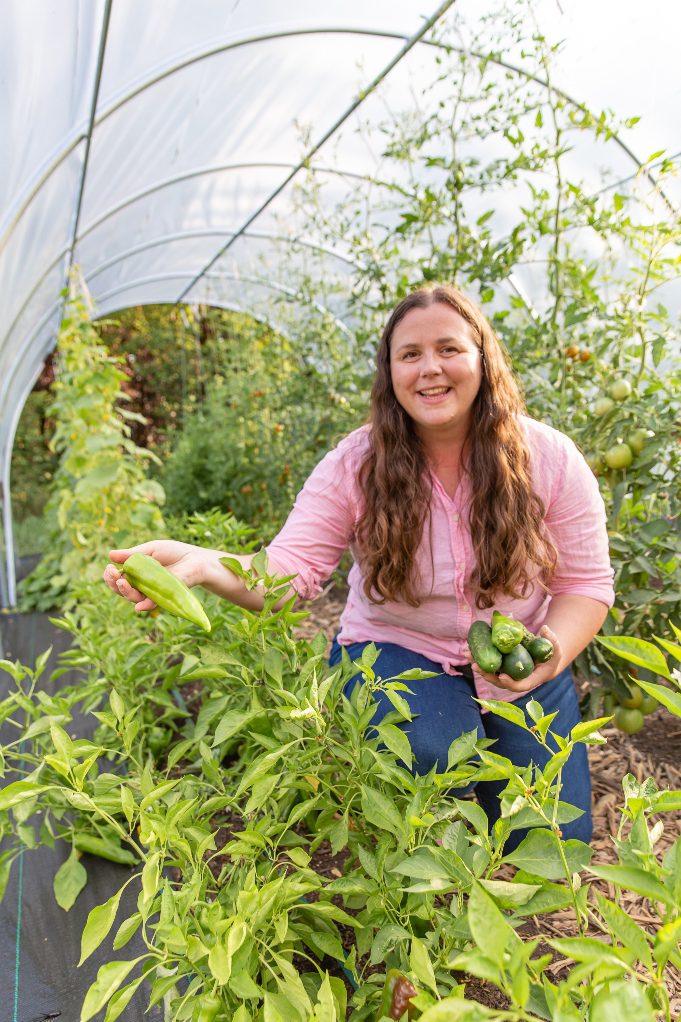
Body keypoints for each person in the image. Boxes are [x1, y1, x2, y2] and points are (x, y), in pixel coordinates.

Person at [103, 285, 614, 846]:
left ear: (483, 358)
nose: (430, 369)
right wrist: (204, 564)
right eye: (410, 354)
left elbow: (584, 585)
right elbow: (288, 573)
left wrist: (552, 656)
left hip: (521, 662)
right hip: (397, 654)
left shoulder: (550, 459)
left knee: (555, 845)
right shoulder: (356, 465)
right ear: (389, 372)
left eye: (449, 348)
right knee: (431, 750)